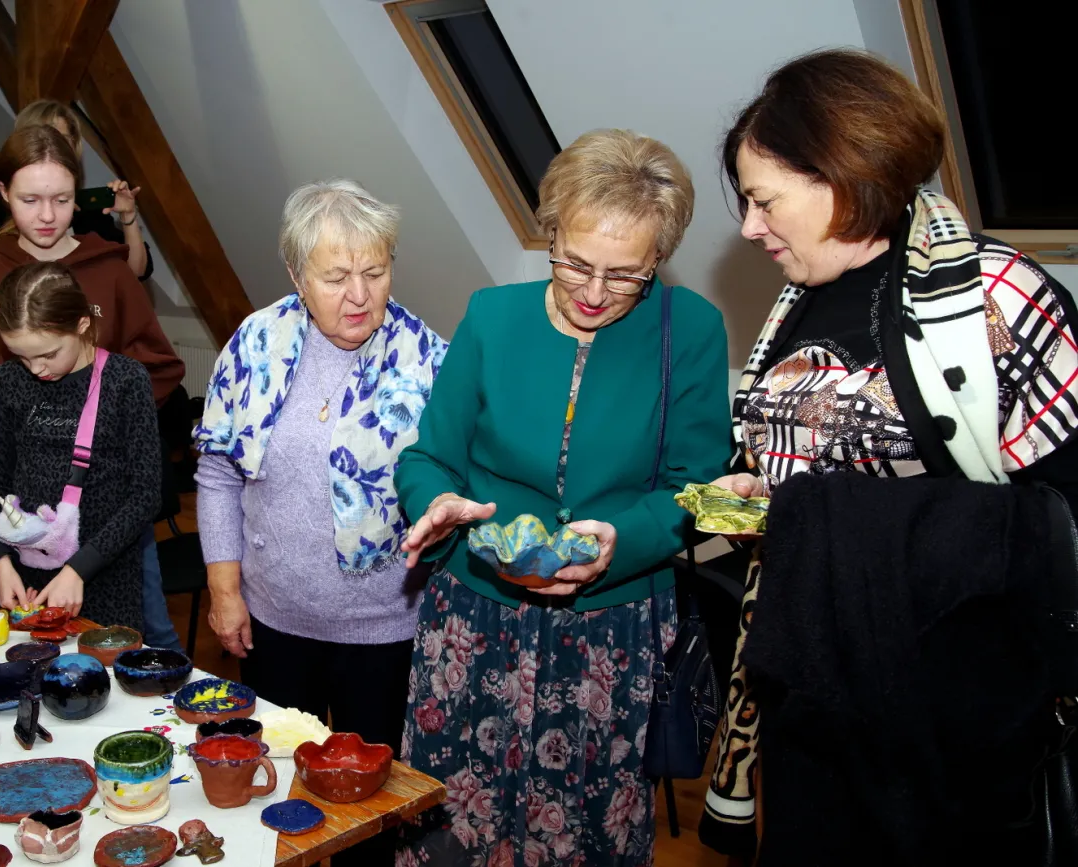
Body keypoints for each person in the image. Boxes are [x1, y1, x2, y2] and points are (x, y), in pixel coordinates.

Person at [701, 49, 1078, 863]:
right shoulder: (798, 295)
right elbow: (789, 472)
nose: (749, 227)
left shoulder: (997, 301)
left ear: (842, 175)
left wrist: (825, 517)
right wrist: (747, 497)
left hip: (952, 725)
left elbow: (1058, 524)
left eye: (764, 200)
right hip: (812, 698)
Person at [393, 130, 731, 865]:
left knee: (581, 827)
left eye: (626, 274)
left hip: (610, 628)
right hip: (476, 613)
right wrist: (439, 504)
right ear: (550, 230)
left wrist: (623, 540)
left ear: (658, 260)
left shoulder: (692, 331)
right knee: (455, 822)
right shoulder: (492, 315)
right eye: (576, 261)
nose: (594, 291)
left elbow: (699, 487)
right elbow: (429, 456)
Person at [195, 180, 446, 865]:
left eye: (375, 271)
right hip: (273, 625)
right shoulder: (255, 343)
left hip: (384, 633)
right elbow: (218, 472)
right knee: (277, 805)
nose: (359, 294)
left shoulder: (429, 361)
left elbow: (450, 490)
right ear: (296, 273)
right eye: (336, 276)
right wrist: (224, 590)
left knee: (366, 822)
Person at [0, 124, 185, 649]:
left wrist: (106, 417)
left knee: (143, 637)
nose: (48, 215)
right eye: (31, 200)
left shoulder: (110, 272)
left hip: (109, 513)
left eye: (62, 199)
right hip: (24, 517)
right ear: (4, 195)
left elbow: (155, 370)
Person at [0, 261, 160, 628]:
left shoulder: (125, 381)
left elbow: (145, 495)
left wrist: (79, 569)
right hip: (26, 574)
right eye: (22, 356)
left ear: (81, 324)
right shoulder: (9, 380)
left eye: (48, 354)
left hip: (103, 573)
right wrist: (0, 559)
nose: (36, 369)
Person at [0, 99, 151, 281]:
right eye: (30, 201)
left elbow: (137, 271)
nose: (52, 145)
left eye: (62, 138)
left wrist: (128, 215)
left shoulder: (89, 208)